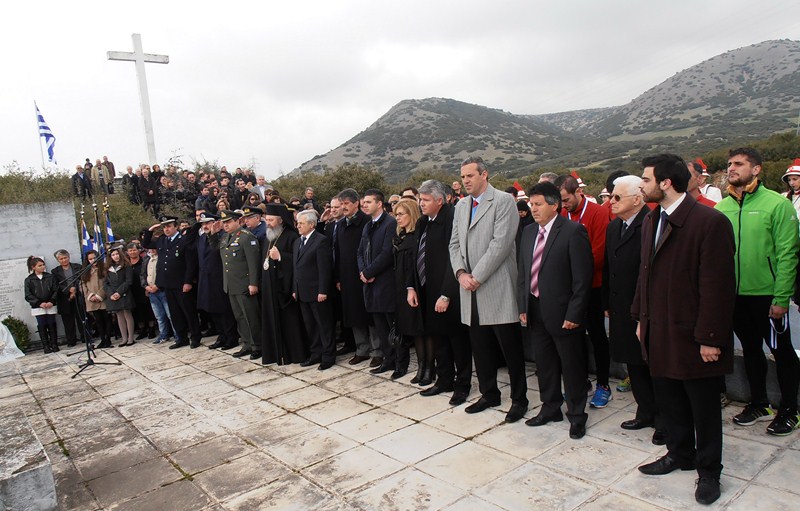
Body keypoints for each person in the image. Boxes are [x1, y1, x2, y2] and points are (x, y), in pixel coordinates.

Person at [632, 153, 736, 506]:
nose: (641, 185)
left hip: (694, 335)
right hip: (658, 328)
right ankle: (679, 453)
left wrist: (710, 339)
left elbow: (718, 287)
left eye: (645, 180)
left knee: (703, 407)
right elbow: (645, 274)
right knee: (670, 399)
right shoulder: (652, 220)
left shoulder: (710, 222)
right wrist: (639, 319)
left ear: (665, 182)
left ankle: (708, 471)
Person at [716, 147, 800, 436]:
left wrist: (781, 298)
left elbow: (788, 254)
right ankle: (759, 403)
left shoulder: (777, 205)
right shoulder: (721, 209)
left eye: (739, 164)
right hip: (736, 296)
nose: (731, 168)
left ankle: (790, 409)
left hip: (768, 295)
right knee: (751, 349)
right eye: (729, 164)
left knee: (782, 351)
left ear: (756, 169)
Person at [449, 156, 528, 423]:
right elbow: (454, 244)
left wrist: (476, 276)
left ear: (485, 174)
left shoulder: (504, 201)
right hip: (468, 288)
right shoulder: (461, 206)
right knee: (480, 347)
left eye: (470, 175)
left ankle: (520, 399)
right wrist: (461, 273)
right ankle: (489, 393)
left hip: (496, 286)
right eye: (462, 177)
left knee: (510, 349)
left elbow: (501, 244)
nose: (465, 181)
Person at [517, 182, 593, 439]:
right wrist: (522, 306)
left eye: (538, 204)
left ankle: (577, 415)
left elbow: (582, 279)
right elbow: (523, 273)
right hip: (536, 309)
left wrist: (575, 314)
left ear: (553, 205)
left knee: (571, 366)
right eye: (531, 204)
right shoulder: (528, 233)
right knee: (545, 363)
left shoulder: (573, 231)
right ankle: (550, 407)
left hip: (563, 313)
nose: (533, 209)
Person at [602, 176, 665, 444]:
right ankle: (646, 411)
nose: (611, 202)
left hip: (644, 307)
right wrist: (606, 301)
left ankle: (665, 419)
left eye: (617, 197)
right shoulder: (614, 227)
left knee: (653, 366)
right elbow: (609, 267)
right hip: (621, 307)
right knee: (633, 363)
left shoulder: (652, 224)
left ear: (637, 199)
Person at [554, 174, 612, 408]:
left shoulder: (597, 213)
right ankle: (580, 381)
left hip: (594, 286)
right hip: (569, 289)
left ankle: (603, 384)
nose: (564, 204)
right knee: (574, 338)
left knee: (598, 336)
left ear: (578, 192)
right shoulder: (562, 214)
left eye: (566, 199)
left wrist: (572, 270)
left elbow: (598, 253)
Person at [414, 180, 472, 403]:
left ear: (440, 200)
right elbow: (416, 255)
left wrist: (446, 293)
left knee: (458, 341)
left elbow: (455, 258)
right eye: (420, 199)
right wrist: (413, 286)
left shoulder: (451, 219)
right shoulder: (423, 222)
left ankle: (463, 385)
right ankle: (444, 379)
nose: (421, 204)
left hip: (450, 291)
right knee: (438, 339)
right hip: (428, 290)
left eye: (426, 200)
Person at [208, 210, 262, 359]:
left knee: (251, 316)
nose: (225, 225)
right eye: (224, 223)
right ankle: (247, 344)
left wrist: (253, 283)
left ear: (238, 221)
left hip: (245, 284)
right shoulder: (225, 238)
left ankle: (257, 345)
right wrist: (213, 233)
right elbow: (215, 250)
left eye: (228, 222)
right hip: (231, 284)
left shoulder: (246, 237)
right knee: (239, 316)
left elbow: (253, 263)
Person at [141, 215, 201, 349]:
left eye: (169, 226)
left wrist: (188, 281)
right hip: (167, 283)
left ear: (176, 227)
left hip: (181, 283)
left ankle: (195, 337)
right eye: (164, 227)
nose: (166, 229)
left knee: (188, 311)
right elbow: (145, 244)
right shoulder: (162, 240)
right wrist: (150, 230)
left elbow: (190, 263)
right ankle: (181, 338)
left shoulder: (183, 240)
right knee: (175, 313)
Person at [334, 189, 377, 366]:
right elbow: (337, 252)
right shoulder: (341, 224)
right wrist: (338, 277)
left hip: (365, 275)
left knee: (370, 315)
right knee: (353, 314)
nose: (343, 207)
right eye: (341, 204)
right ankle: (362, 349)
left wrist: (368, 272)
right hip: (347, 277)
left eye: (346, 204)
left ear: (356, 204)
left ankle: (377, 350)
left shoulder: (366, 221)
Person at [357, 189, 398, 375]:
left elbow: (387, 253)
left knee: (392, 327)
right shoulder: (368, 225)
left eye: (368, 202)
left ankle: (399, 361)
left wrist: (370, 271)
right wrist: (363, 272)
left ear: (379, 204)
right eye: (363, 202)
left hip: (386, 283)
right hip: (370, 284)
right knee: (380, 326)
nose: (364, 205)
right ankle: (388, 360)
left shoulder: (390, 223)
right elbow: (360, 252)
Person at [261, 204, 307, 365]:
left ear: (280, 220)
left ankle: (294, 354)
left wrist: (281, 257)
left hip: (285, 289)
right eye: (267, 220)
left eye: (271, 220)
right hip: (271, 287)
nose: (268, 223)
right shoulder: (268, 237)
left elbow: (297, 261)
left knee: (290, 323)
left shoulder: (291, 236)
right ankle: (275, 354)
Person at [293, 209, 335, 370]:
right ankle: (315, 353)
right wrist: (294, 289)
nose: (298, 226)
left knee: (324, 326)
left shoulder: (320, 241)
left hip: (317, 292)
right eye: (297, 223)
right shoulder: (298, 241)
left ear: (312, 224)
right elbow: (296, 268)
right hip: (302, 292)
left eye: (301, 223)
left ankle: (328, 355)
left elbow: (324, 269)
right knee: (311, 326)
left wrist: (323, 291)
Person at [195, 213, 239, 351]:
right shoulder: (202, 238)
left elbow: (216, 251)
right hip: (206, 279)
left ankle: (231, 337)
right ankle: (222, 335)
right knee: (213, 310)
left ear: (216, 223)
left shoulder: (223, 237)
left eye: (208, 223)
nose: (205, 226)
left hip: (220, 278)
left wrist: (214, 233)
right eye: (203, 224)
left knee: (224, 310)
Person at [391, 198, 423, 380]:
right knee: (402, 328)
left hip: (413, 287)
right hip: (398, 287)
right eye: (396, 215)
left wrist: (411, 287)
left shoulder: (415, 237)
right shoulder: (400, 237)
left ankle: (424, 368)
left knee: (416, 329)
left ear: (412, 214)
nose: (398, 218)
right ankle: (401, 365)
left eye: (401, 214)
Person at [24, 256, 60, 353]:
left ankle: (54, 344)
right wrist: (39, 303)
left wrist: (51, 301)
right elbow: (28, 295)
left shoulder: (50, 276)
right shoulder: (29, 280)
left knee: (51, 323)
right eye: (39, 265)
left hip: (50, 304)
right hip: (38, 306)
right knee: (42, 324)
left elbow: (56, 290)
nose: (42, 267)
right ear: (33, 267)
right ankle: (46, 345)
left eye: (43, 265)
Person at [80, 250, 113, 349]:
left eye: (94, 258)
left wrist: (99, 295)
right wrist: (90, 295)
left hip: (103, 298)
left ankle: (108, 339)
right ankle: (102, 339)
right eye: (90, 259)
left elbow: (107, 283)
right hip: (91, 300)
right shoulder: (85, 271)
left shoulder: (104, 269)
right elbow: (82, 285)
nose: (93, 260)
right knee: (98, 320)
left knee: (107, 318)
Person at [51, 249, 84, 347]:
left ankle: (85, 337)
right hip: (65, 298)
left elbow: (81, 279)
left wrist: (75, 289)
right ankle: (71, 340)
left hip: (78, 295)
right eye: (61, 259)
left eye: (65, 258)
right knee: (68, 321)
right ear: (58, 260)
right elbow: (56, 285)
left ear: (69, 257)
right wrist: (69, 290)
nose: (64, 260)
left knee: (81, 318)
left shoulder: (77, 267)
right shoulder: (55, 271)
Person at [104, 247, 136, 346]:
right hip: (113, 295)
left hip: (124, 293)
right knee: (119, 315)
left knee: (127, 314)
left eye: (117, 254)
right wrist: (111, 294)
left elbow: (128, 281)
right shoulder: (107, 269)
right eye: (113, 255)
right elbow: (105, 284)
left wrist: (119, 292)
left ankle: (131, 338)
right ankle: (124, 338)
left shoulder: (126, 266)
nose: (115, 256)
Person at [142, 248, 173, 344]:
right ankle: (163, 335)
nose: (152, 250)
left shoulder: (163, 258)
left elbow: (165, 273)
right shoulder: (147, 259)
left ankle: (177, 334)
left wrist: (158, 285)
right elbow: (142, 274)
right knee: (159, 316)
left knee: (170, 314)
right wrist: (145, 286)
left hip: (162, 289)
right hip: (151, 292)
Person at [126, 243, 156, 340]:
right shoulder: (126, 264)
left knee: (148, 310)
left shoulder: (144, 261)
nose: (132, 252)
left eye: (134, 250)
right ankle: (142, 330)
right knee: (138, 311)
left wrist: (146, 287)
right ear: (127, 252)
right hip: (132, 291)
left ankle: (151, 329)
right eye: (130, 251)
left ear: (138, 251)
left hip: (144, 289)